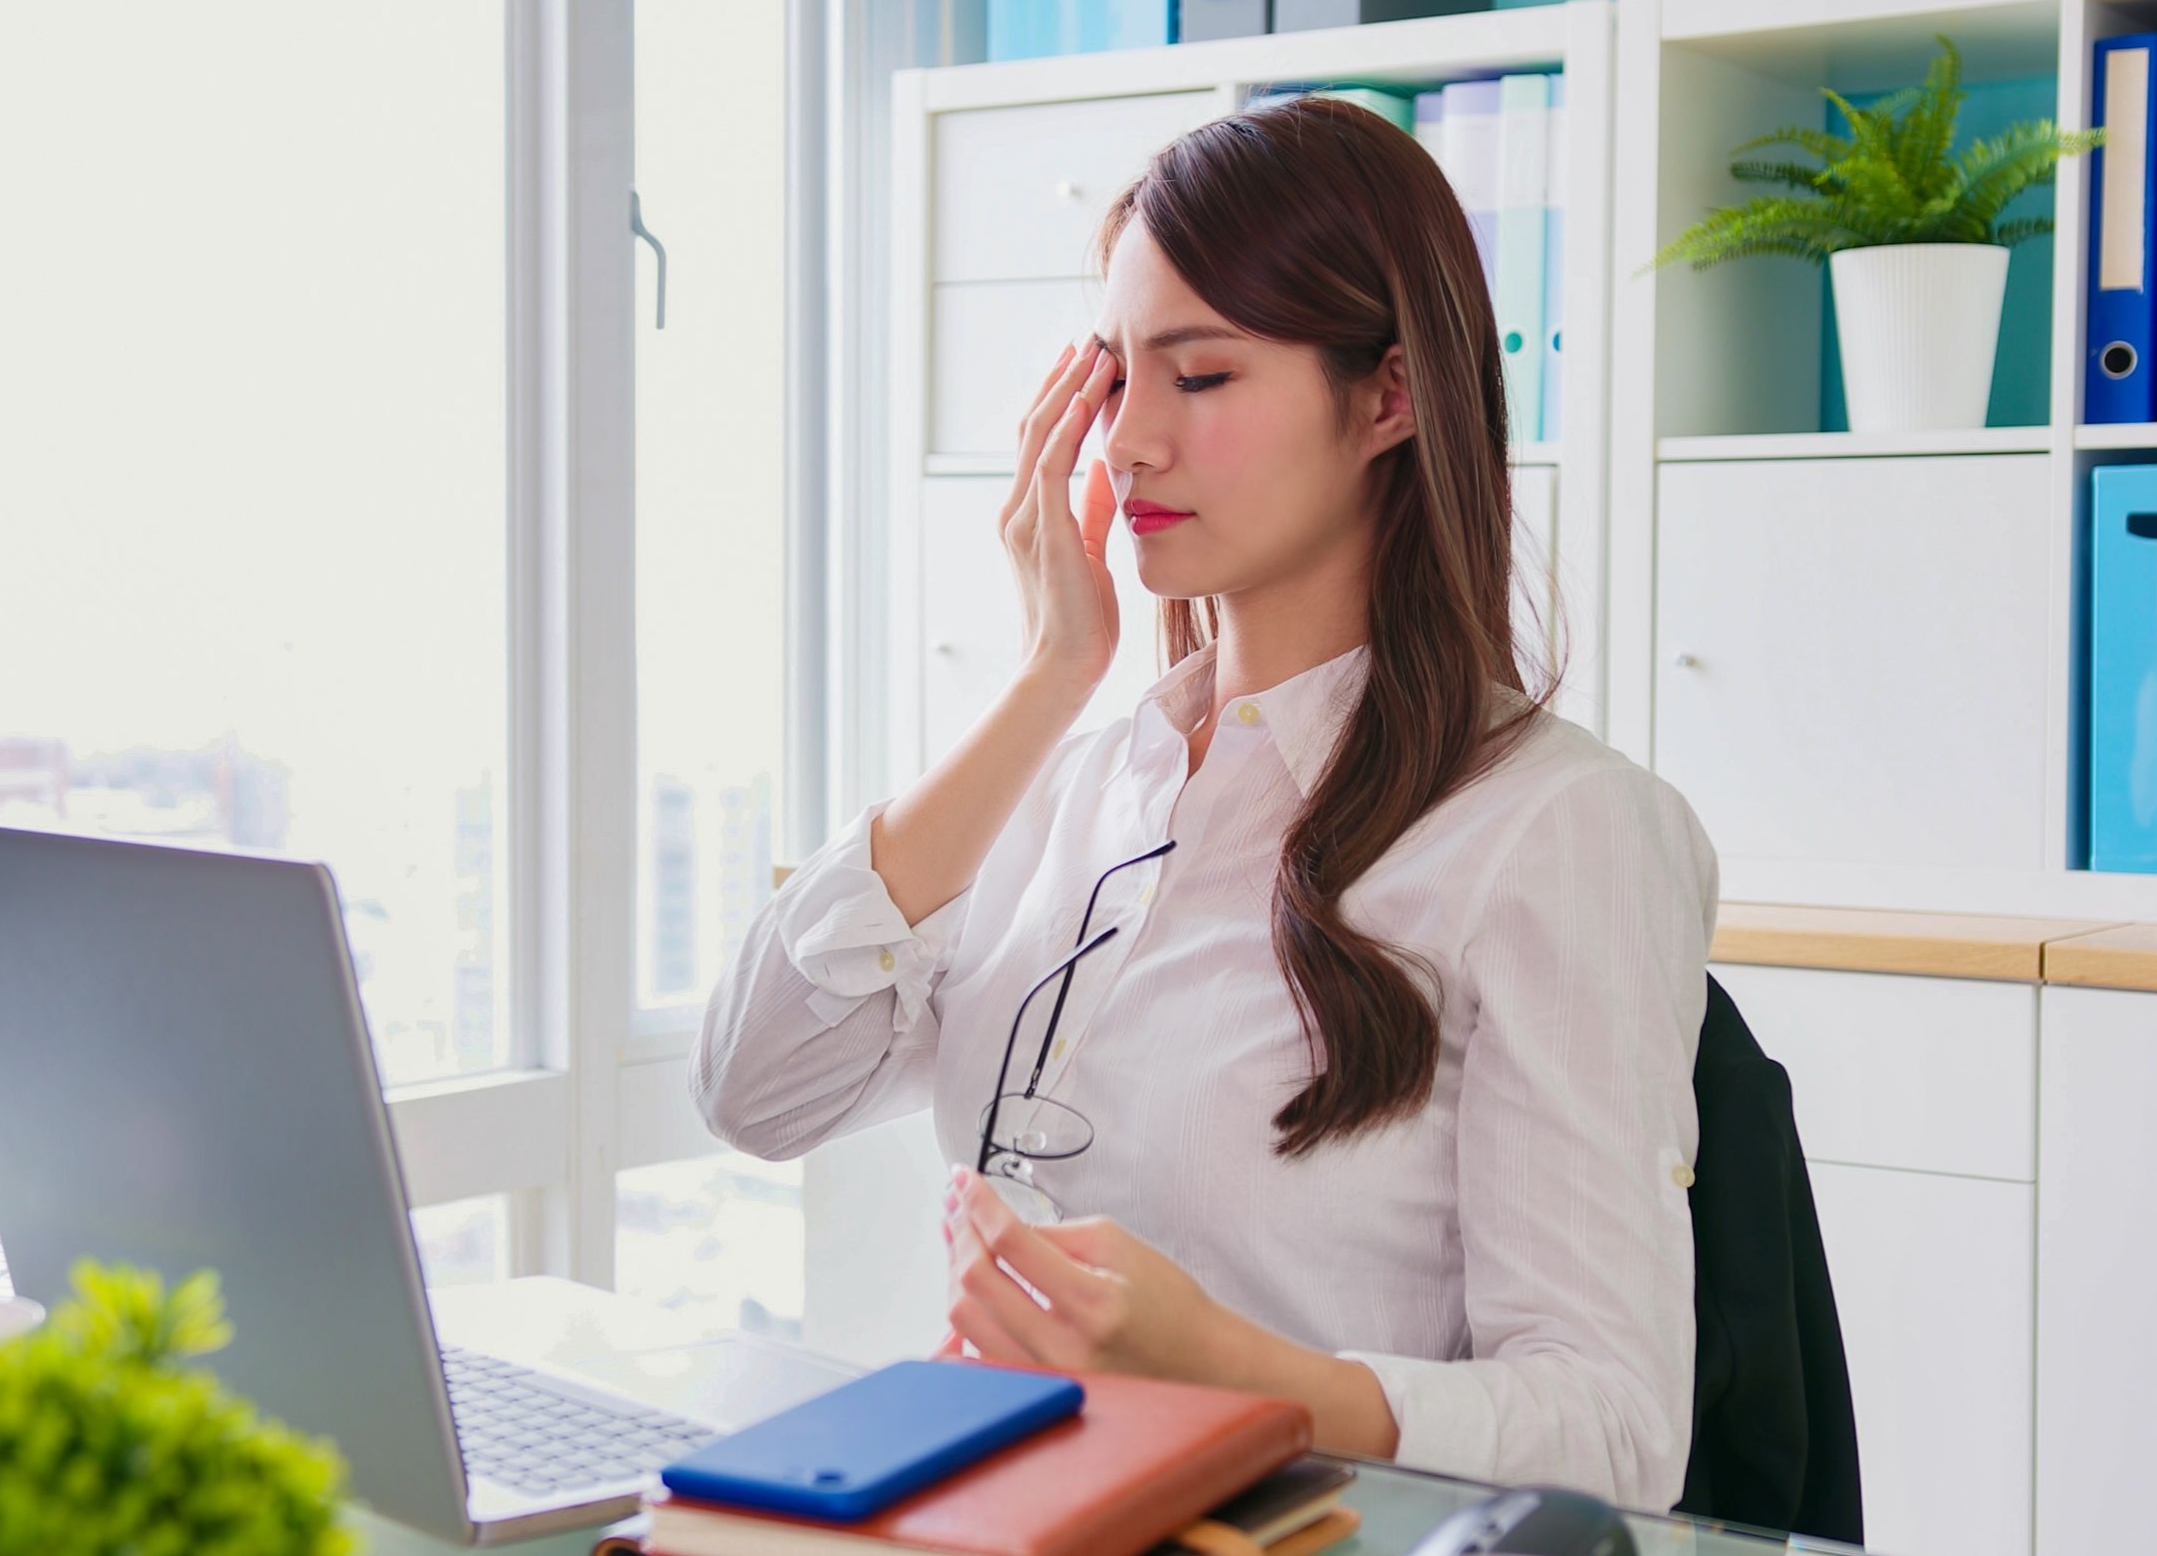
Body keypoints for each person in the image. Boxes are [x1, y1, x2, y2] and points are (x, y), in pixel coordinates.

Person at [690, 93, 1718, 1513]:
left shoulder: (1559, 831)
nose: (1128, 446)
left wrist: (1232, 1365)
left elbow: (1615, 1433)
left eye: (1203, 377)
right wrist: (1052, 675)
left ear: (1388, 398)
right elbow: (752, 1089)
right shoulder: (1077, 789)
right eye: (1115, 379)